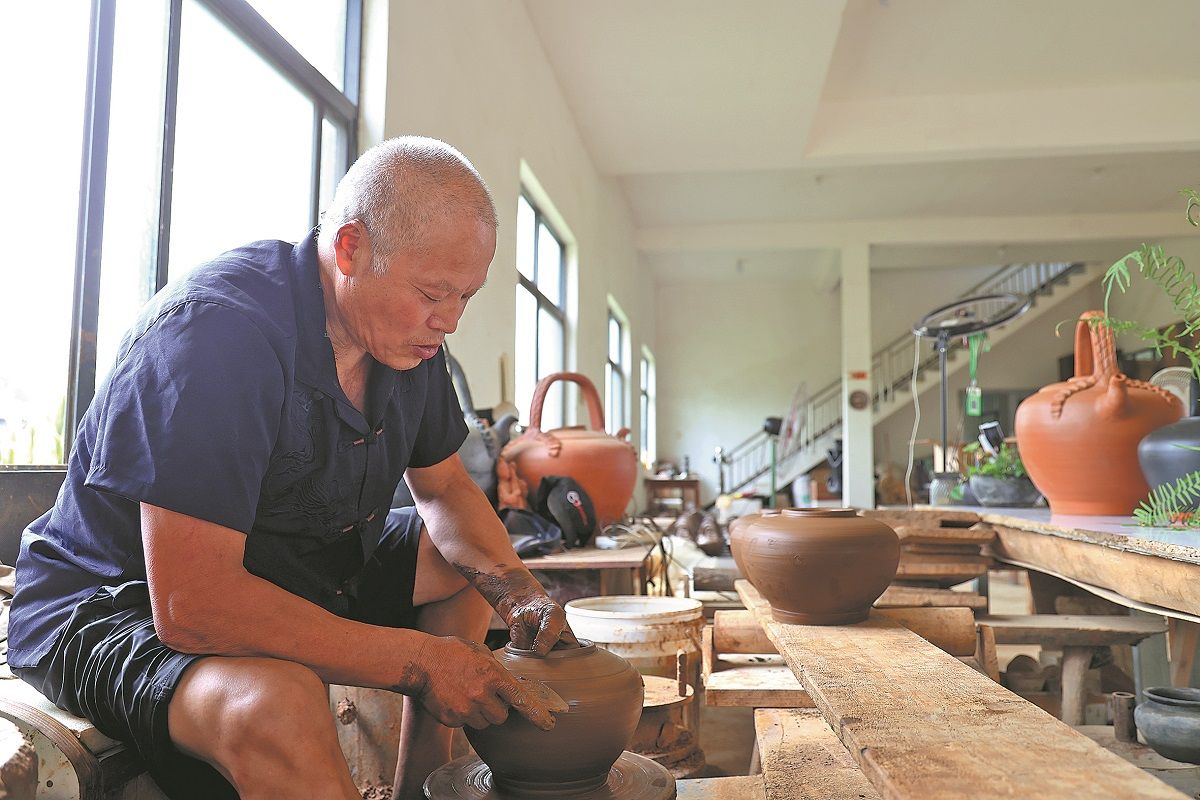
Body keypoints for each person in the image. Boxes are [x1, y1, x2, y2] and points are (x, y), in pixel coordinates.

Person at [8, 136, 575, 800]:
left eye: (465, 298)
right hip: (113, 600)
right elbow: (193, 605)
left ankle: (427, 785)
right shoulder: (218, 335)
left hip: (290, 559)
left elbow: (446, 488)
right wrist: (421, 663)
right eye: (433, 293)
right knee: (280, 701)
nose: (447, 321)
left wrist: (517, 591)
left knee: (465, 565)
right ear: (350, 249)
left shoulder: (408, 346)